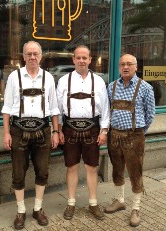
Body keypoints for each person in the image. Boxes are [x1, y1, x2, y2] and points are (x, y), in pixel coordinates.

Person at [2, 41, 60, 230]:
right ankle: (20, 211)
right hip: (18, 130)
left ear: (41, 56)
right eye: (29, 54)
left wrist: (56, 131)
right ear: (24, 56)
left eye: (35, 53)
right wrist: (6, 133)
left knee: (42, 171)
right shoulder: (14, 77)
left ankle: (37, 208)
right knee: (18, 174)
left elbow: (53, 108)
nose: (32, 57)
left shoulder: (49, 78)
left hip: (43, 130)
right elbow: (7, 108)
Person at [56, 45, 110, 220]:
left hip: (92, 129)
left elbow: (105, 109)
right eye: (78, 57)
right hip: (69, 128)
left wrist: (104, 130)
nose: (81, 60)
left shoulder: (99, 81)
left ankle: (93, 204)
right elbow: (57, 108)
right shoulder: (64, 81)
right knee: (71, 167)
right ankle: (71, 203)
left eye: (84, 58)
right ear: (73, 60)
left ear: (90, 60)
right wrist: (57, 130)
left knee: (91, 167)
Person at [104, 54, 155, 227]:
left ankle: (136, 207)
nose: (125, 67)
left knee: (135, 172)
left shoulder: (145, 87)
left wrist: (138, 132)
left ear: (136, 66)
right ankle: (120, 200)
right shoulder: (111, 87)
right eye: (122, 64)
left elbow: (150, 114)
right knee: (117, 170)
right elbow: (108, 112)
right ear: (119, 67)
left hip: (134, 136)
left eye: (129, 64)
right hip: (114, 135)